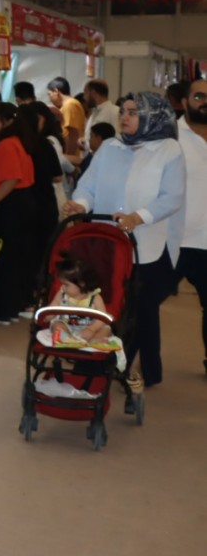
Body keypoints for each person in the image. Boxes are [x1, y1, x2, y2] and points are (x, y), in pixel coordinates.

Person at [68, 92, 185, 401]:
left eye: (134, 112)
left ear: (152, 117)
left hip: (148, 244)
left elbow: (172, 197)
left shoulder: (168, 150)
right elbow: (89, 185)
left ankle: (138, 368)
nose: (125, 117)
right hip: (108, 242)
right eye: (123, 112)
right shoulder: (110, 147)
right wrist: (79, 203)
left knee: (140, 309)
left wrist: (138, 217)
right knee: (111, 304)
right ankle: (107, 363)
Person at [0, 102, 40, 324]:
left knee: (6, 260)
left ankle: (3, 309)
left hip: (11, 205)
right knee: (18, 258)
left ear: (9, 121)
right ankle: (18, 304)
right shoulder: (18, 142)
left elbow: (11, 179)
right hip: (21, 203)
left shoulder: (7, 145)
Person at [175, 79, 207, 375]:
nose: (204, 101)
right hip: (173, 239)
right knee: (142, 303)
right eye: (198, 96)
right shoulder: (170, 137)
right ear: (185, 102)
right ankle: (121, 361)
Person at [41, 254, 124, 368]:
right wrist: (50, 314)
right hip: (68, 325)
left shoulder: (95, 297)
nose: (63, 287)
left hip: (91, 327)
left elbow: (102, 317)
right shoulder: (62, 293)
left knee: (106, 330)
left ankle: (92, 341)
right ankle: (70, 340)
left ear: (81, 284)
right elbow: (54, 305)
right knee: (57, 325)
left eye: (66, 284)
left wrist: (91, 329)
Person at [47, 77, 86, 159]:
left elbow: (73, 133)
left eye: (49, 94)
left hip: (73, 157)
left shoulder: (70, 105)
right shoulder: (68, 105)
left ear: (56, 91)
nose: (49, 99)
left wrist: (68, 157)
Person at [82, 79, 118, 151]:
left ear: (93, 93)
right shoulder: (95, 111)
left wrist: (84, 143)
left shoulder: (112, 112)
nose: (84, 98)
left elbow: (99, 143)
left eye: (85, 93)